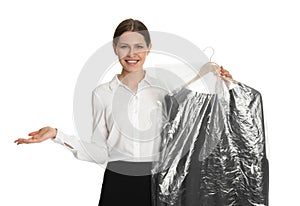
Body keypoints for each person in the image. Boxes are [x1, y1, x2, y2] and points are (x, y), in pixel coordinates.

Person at [14, 18, 233, 206]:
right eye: (124, 46)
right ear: (115, 48)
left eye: (138, 46)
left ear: (148, 47)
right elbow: (100, 151)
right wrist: (57, 135)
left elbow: (200, 95)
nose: (132, 54)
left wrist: (220, 79)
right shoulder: (102, 94)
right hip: (118, 181)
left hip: (159, 181)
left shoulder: (164, 86)